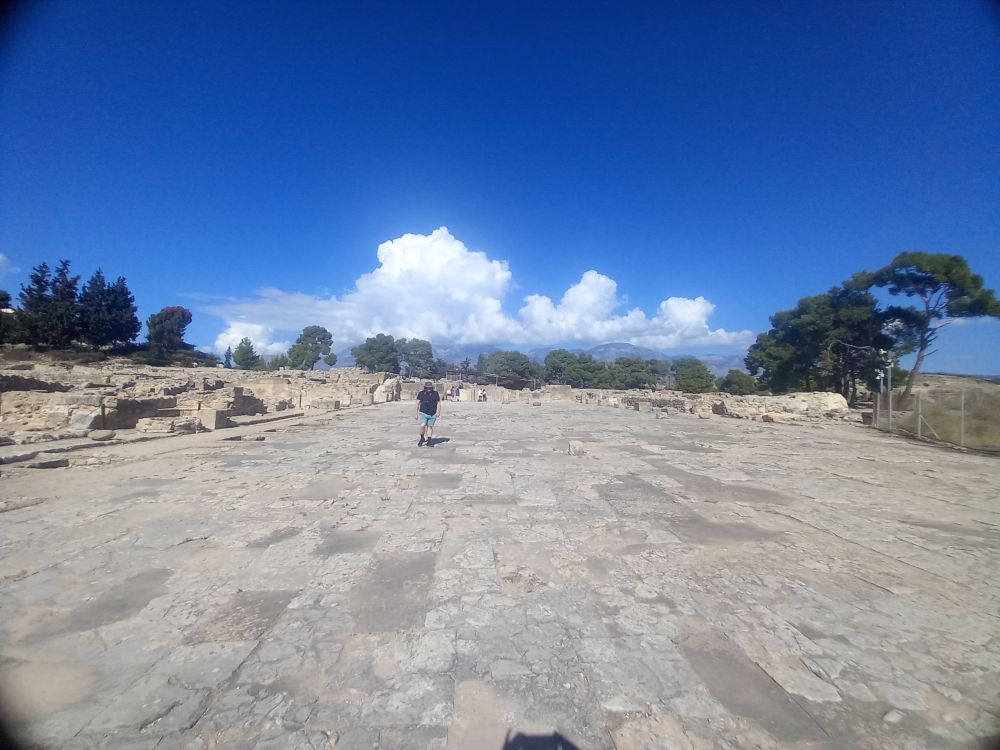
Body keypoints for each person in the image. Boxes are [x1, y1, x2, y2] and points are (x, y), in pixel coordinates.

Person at [416, 381, 441, 447]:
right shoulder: (421, 393)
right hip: (423, 412)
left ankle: (429, 441)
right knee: (422, 425)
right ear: (425, 387)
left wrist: (438, 411)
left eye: (430, 387)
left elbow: (438, 402)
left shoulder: (435, 393)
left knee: (430, 427)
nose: (429, 389)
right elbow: (417, 403)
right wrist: (416, 413)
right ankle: (422, 438)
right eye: (427, 388)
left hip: (433, 413)